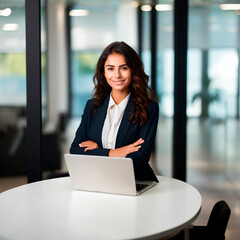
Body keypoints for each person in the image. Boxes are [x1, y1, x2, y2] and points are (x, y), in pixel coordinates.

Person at [70, 41, 159, 182]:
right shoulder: (92, 106)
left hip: (134, 181)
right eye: (110, 69)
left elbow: (140, 157)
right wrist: (113, 153)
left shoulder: (148, 108)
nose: (116, 75)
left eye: (123, 68)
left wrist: (97, 151)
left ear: (133, 70)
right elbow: (75, 150)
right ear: (104, 73)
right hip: (96, 180)